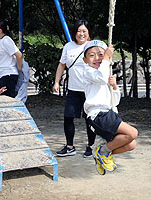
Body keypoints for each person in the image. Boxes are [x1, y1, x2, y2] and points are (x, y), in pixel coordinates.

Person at [82, 40, 138, 175]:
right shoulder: (88, 72)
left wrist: (114, 87)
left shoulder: (104, 74)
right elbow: (100, 77)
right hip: (98, 115)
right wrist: (106, 57)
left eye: (101, 54)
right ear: (85, 60)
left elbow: (115, 101)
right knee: (132, 133)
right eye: (92, 55)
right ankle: (103, 151)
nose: (97, 58)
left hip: (109, 113)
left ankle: (102, 152)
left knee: (131, 144)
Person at [53, 19, 96, 158]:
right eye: (78, 31)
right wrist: (56, 82)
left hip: (89, 89)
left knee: (90, 119)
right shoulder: (68, 47)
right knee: (68, 117)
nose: (81, 34)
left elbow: (102, 63)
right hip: (73, 89)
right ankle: (70, 146)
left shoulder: (94, 46)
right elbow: (61, 65)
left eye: (84, 31)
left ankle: (91, 146)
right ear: (74, 32)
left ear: (89, 32)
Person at [0, 19, 22, 98]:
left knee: (8, 99)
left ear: (0, 30)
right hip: (2, 75)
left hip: (8, 75)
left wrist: (19, 68)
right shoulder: (0, 40)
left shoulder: (6, 40)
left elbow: (19, 55)